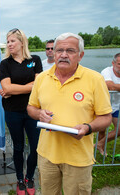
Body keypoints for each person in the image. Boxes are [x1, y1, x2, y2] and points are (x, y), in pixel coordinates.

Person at [27, 32, 112, 195]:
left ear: (80, 55)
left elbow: (106, 117)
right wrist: (39, 114)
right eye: (59, 50)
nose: (63, 55)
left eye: (70, 51)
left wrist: (88, 127)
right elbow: (31, 108)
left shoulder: (95, 79)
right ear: (54, 52)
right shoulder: (42, 78)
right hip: (47, 155)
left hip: (78, 157)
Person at [0, 28, 42, 195]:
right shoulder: (5, 64)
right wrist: (28, 87)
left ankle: (29, 177)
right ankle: (19, 179)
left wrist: (13, 90)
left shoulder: (35, 60)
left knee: (35, 147)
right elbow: (6, 87)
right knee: (18, 147)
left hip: (33, 110)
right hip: (13, 111)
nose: (9, 44)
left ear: (22, 42)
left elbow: (39, 86)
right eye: (8, 41)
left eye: (12, 41)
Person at [97, 53, 120, 156]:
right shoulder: (106, 71)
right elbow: (110, 86)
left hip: (117, 106)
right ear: (113, 63)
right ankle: (102, 149)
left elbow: (114, 86)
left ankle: (99, 144)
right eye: (119, 64)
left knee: (119, 130)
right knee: (102, 130)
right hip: (104, 106)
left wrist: (116, 86)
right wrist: (114, 86)